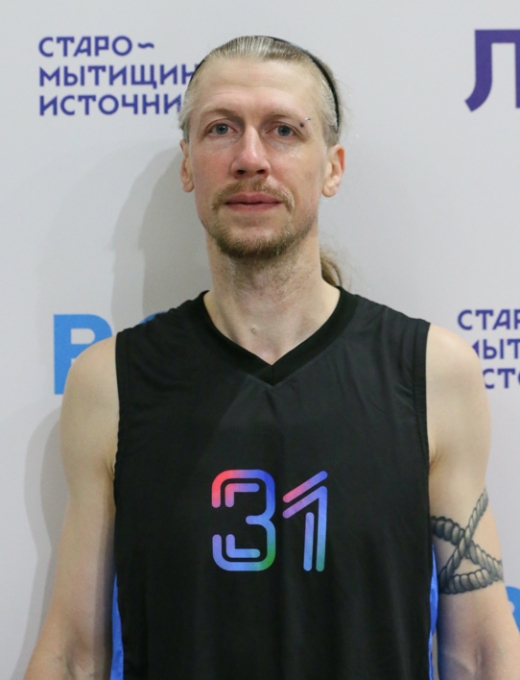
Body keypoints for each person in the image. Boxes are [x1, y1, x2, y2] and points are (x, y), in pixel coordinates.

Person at [25, 36, 520, 680]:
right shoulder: (111, 383)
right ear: (188, 165)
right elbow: (73, 656)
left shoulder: (429, 372)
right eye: (221, 128)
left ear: (332, 168)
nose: (250, 158)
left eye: (283, 130)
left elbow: (480, 654)